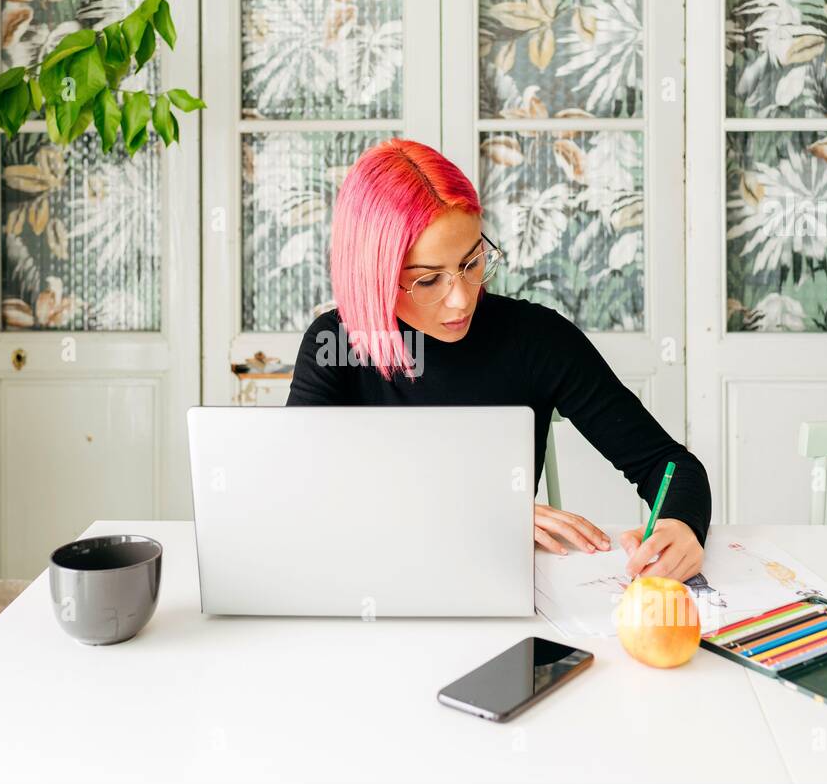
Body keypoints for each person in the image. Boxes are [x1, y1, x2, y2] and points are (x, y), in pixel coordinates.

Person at [287, 139, 711, 581]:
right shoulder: (334, 344)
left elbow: (671, 466)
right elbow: (305, 495)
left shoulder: (535, 339)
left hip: (496, 582)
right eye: (429, 280)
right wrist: (484, 515)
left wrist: (679, 525)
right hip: (366, 580)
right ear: (372, 277)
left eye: (472, 263)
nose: (460, 299)